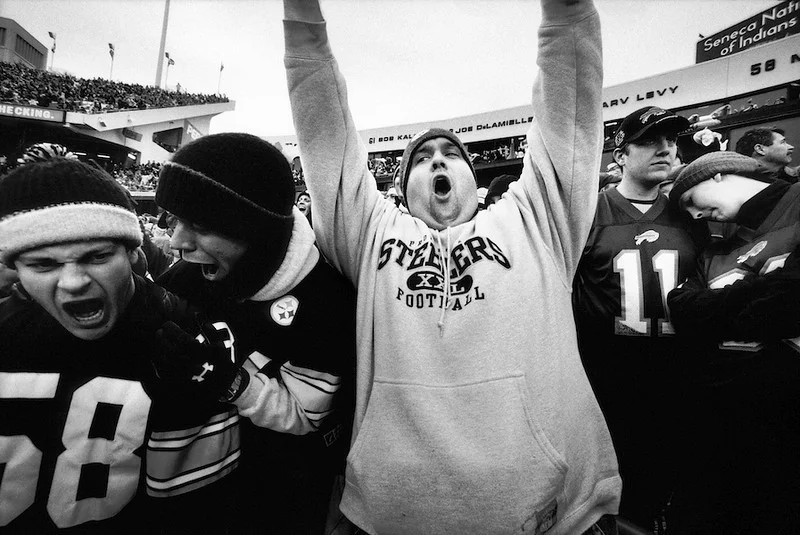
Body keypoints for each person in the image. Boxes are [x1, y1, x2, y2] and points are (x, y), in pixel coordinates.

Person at [283, 0, 620, 533]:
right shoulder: (371, 234)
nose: (437, 159)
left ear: (478, 183)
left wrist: (568, 11)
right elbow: (324, 131)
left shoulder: (537, 220)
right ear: (399, 190)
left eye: (451, 154)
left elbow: (570, 102)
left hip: (546, 513)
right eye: (421, 158)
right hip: (393, 515)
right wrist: (303, 25)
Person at [0, 157, 240, 533]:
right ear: (14, 267)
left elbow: (194, 510)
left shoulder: (190, 337)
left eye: (97, 256)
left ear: (133, 252)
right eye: (43, 264)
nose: (74, 282)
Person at [154, 132, 357, 534]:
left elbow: (303, 416)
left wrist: (230, 382)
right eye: (176, 221)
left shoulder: (324, 302)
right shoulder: (187, 277)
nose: (177, 242)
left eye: (201, 225)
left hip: (282, 499)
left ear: (256, 231)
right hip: (204, 495)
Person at [572, 105, 709, 531]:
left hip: (674, 382)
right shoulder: (586, 215)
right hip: (604, 385)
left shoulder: (691, 218)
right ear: (620, 154)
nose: (665, 148)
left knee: (654, 495)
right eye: (650, 140)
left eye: (670, 140)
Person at [666, 150, 800, 533]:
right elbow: (684, 310)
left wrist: (722, 311)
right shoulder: (717, 247)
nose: (693, 214)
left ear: (719, 176)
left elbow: (789, 303)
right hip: (728, 425)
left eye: (691, 200)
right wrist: (759, 295)